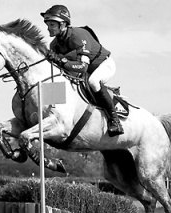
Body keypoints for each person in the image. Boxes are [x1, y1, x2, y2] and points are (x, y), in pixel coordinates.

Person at [41, 5, 124, 137]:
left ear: (63, 24)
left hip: (103, 65)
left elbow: (82, 67)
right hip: (84, 70)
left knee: (93, 81)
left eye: (52, 24)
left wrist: (62, 61)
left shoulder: (78, 35)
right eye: (48, 24)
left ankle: (115, 120)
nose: (48, 28)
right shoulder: (54, 45)